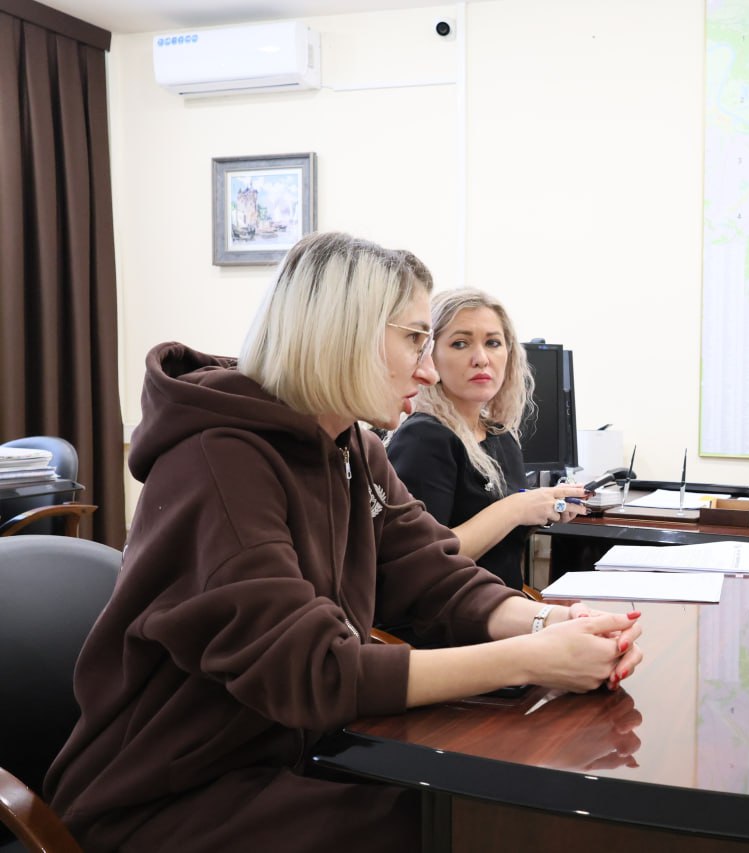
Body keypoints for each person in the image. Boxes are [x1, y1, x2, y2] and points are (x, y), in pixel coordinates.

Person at [45, 232, 643, 853]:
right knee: (463, 827)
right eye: (416, 339)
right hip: (171, 796)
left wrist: (549, 621)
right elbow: (311, 669)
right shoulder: (217, 463)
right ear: (343, 334)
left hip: (292, 751)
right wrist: (529, 658)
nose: (430, 368)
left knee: (485, 807)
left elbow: (432, 572)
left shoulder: (351, 445)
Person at [386, 288, 584, 591]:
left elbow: (499, 542)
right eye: (460, 344)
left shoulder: (499, 436)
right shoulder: (424, 437)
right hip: (446, 623)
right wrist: (517, 508)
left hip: (503, 608)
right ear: (430, 356)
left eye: (493, 343)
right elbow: (426, 560)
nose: (481, 359)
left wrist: (545, 509)